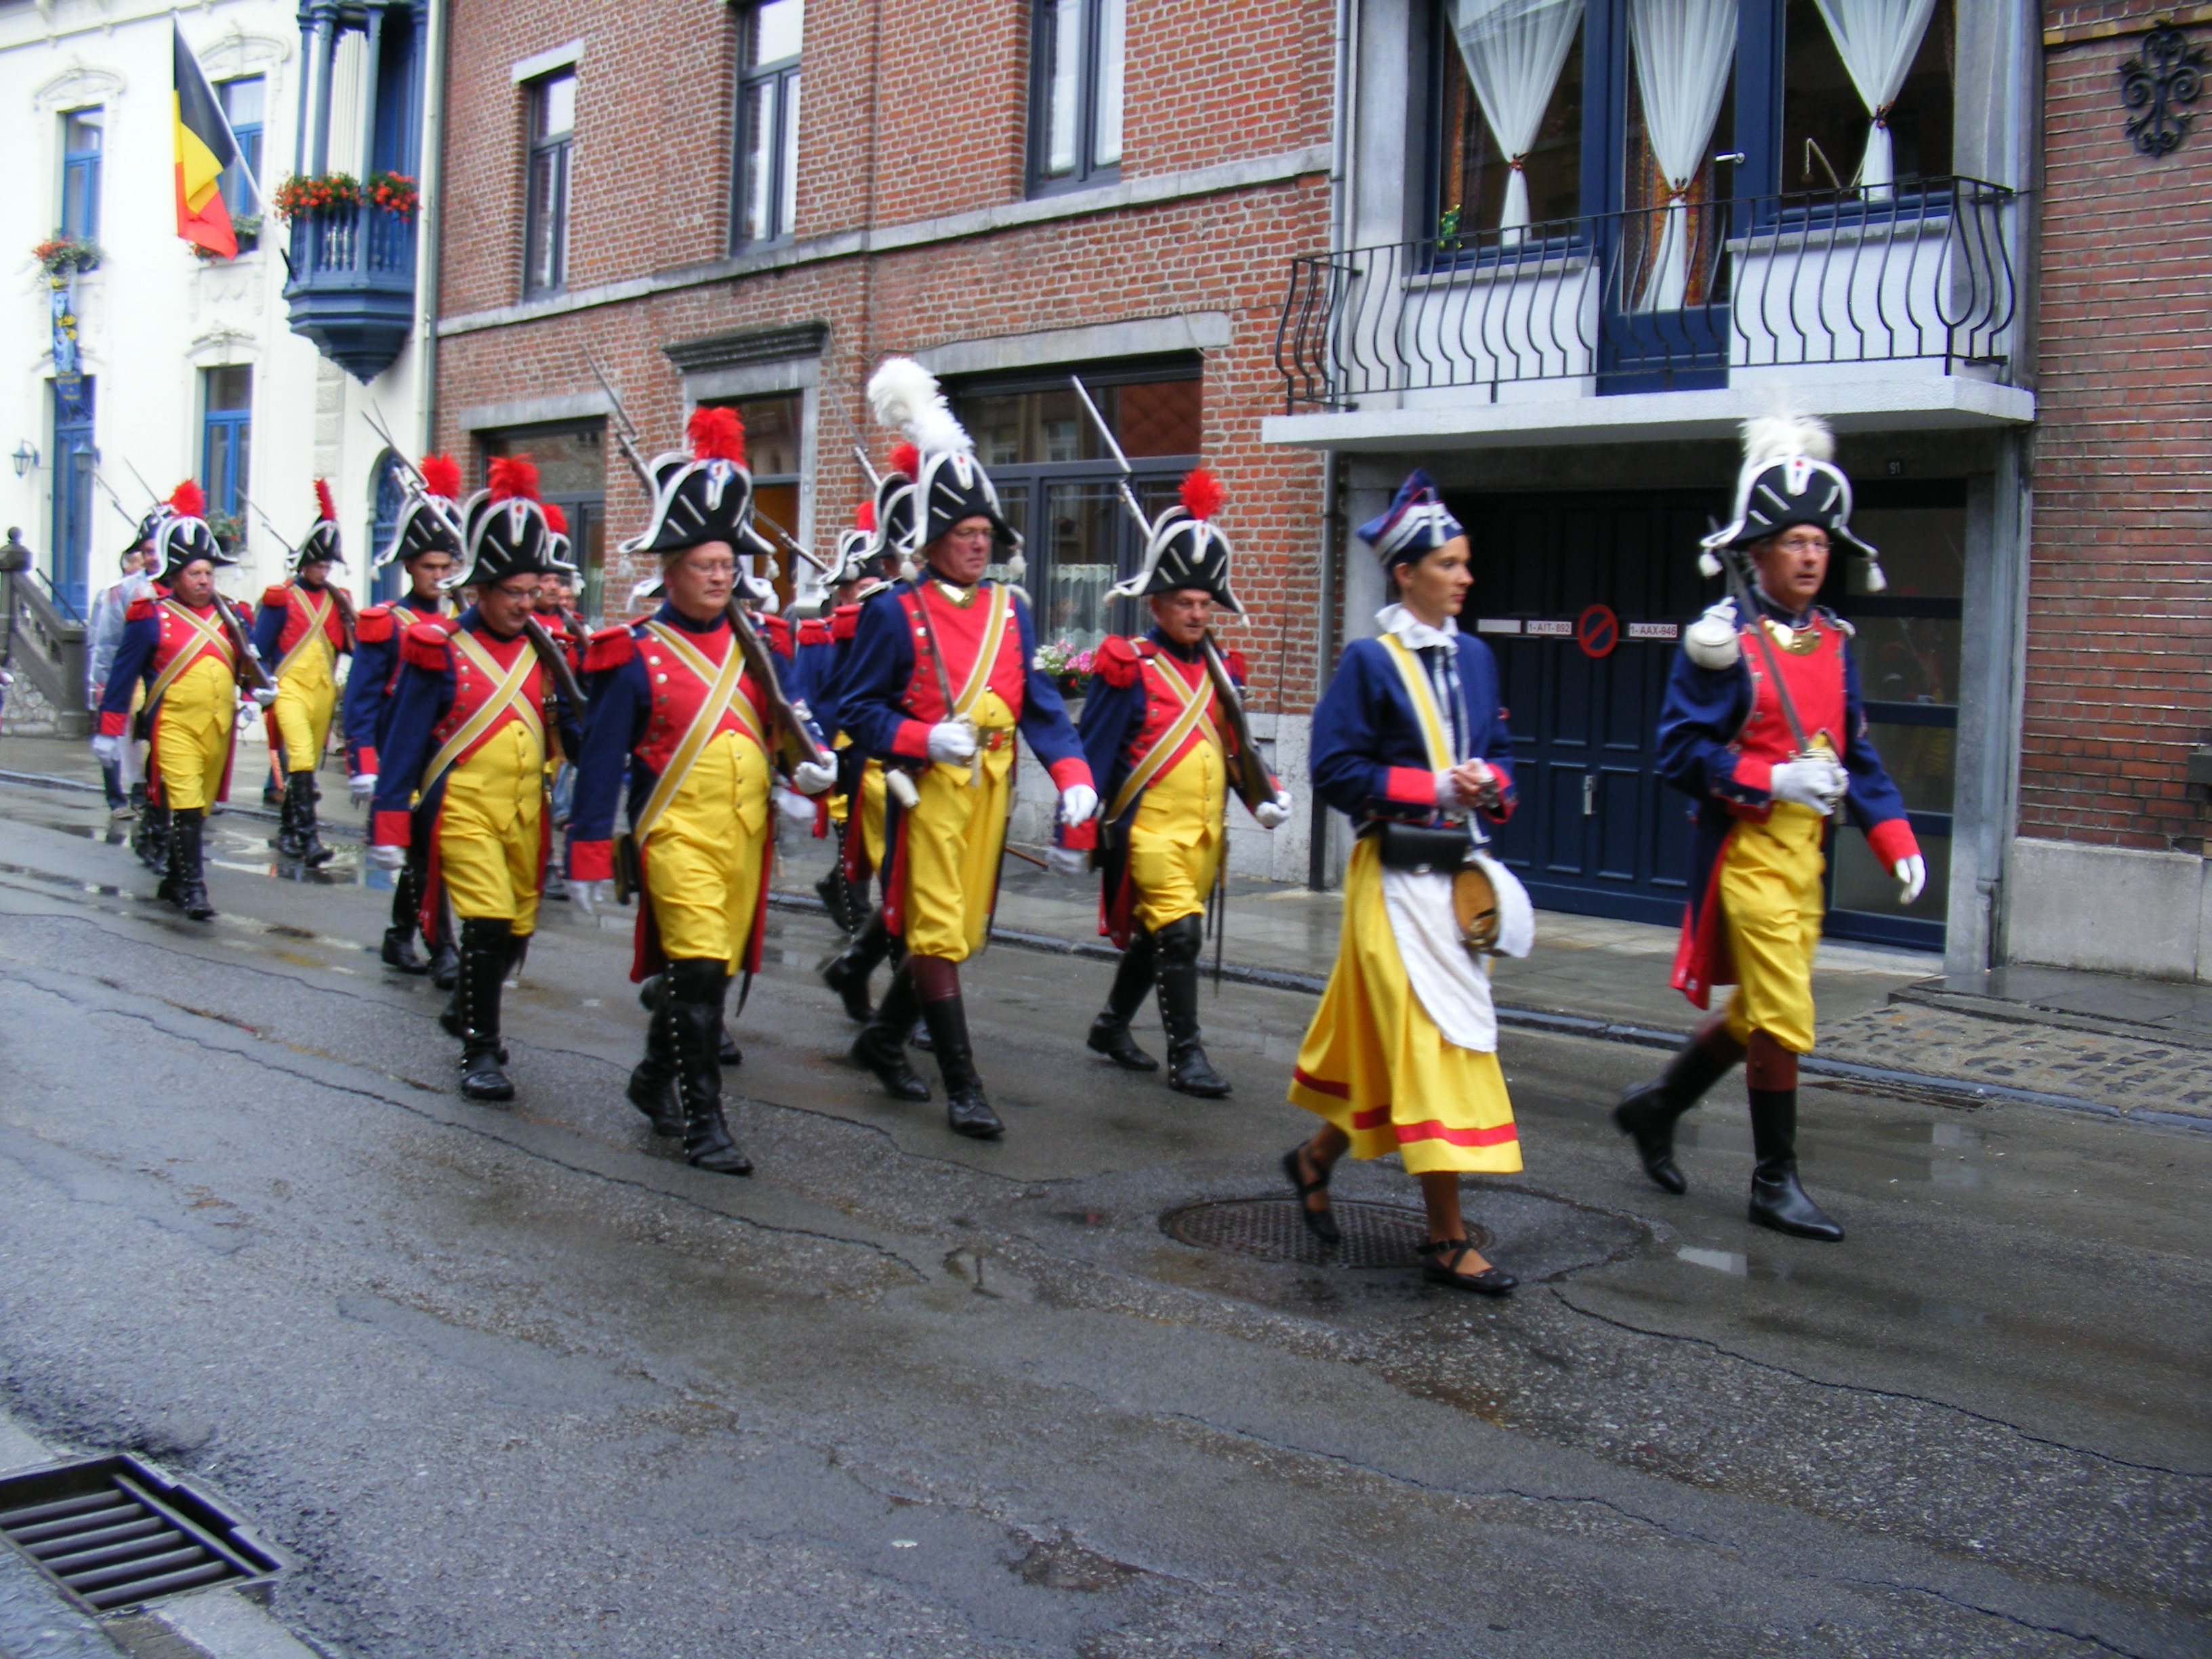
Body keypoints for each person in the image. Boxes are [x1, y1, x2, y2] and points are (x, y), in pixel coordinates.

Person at [1614, 407, 1925, 1244]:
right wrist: (1771, 777)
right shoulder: (1721, 645)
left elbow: (1859, 755)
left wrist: (1895, 838)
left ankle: (1657, 1106)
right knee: (1784, 1011)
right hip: (1747, 854)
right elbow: (1679, 755)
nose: (1811, 556)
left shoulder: (1835, 642)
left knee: (1757, 1011)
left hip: (1805, 858)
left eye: (1820, 542)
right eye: (1794, 541)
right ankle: (1773, 1182)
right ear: (1757, 552)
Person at [566, 408, 836, 1173]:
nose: (721, 576)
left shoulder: (762, 645)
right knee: (698, 973)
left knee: (710, 975)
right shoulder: (631, 654)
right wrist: (588, 853)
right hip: (675, 834)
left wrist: (809, 769)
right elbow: (601, 760)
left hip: (744, 834)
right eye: (704, 564)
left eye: (727, 563)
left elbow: (789, 721)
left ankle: (653, 1079)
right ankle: (705, 1125)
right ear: (670, 568)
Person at [1284, 471, 1532, 1296]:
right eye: (1450, 564)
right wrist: (1432, 788)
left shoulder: (1479, 658)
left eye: (1465, 563)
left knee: (1396, 1040)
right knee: (1432, 1040)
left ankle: (1315, 1159)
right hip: (1389, 881)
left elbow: (1502, 751)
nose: (1465, 577)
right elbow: (1333, 769)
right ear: (1405, 573)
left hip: (1454, 881)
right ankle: (1445, 1238)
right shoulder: (1369, 662)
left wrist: (1491, 784)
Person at [837, 359, 1097, 1138]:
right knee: (935, 931)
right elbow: (857, 711)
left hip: (989, 795)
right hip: (922, 795)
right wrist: (922, 735)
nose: (979, 545)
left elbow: (1040, 707)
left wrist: (1074, 775)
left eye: (986, 533)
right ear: (934, 540)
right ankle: (964, 1085)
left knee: (957, 931)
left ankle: (884, 1040)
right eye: (965, 533)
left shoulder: (1012, 613)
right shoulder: (894, 611)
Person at [365, 458, 583, 1103]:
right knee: (486, 923)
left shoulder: (550, 650)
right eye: (511, 591)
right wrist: (388, 822)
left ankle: (466, 1006)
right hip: (462, 809)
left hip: (527, 813)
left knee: (517, 929)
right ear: (480, 588)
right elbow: (405, 741)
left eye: (531, 591)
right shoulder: (438, 648)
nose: (524, 603)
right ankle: (480, 1049)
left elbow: (575, 732)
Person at [1074, 468, 1293, 1097]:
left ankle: (1110, 1026)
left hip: (1203, 837)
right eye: (1184, 603)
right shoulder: (1129, 665)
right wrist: (1077, 832)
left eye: (1204, 603)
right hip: (1147, 833)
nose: (1197, 613)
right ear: (1157, 605)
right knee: (1181, 935)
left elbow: (1235, 750)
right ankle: (1187, 1056)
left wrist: (1265, 796)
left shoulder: (1223, 672)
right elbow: (1092, 756)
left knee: (1156, 936)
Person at [93, 483, 274, 920]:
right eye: (195, 574)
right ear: (175, 576)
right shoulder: (150, 616)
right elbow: (123, 675)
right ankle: (195, 888)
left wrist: (259, 690)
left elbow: (246, 663)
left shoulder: (232, 616)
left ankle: (175, 878)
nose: (204, 581)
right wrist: (109, 729)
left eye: (208, 573)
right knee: (188, 807)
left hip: (219, 727)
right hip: (173, 726)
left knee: (201, 807)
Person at [344, 453, 464, 978]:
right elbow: (362, 700)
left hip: (451, 754)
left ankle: (400, 936)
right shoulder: (385, 623)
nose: (439, 576)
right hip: (403, 756)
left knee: (433, 852)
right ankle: (443, 948)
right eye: (429, 567)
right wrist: (364, 764)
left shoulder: (465, 621)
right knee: (424, 852)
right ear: (409, 567)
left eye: (446, 566)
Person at [817, 487, 912, 1010]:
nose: (869, 590)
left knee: (905, 886)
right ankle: (891, 997)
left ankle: (854, 969)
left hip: (914, 766)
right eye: (860, 585)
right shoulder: (845, 629)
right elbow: (830, 702)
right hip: (865, 766)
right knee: (894, 884)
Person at [251, 480, 352, 867]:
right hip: (290, 688)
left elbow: (349, 647)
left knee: (304, 762)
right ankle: (309, 838)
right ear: (305, 563)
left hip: (323, 691)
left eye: (327, 566)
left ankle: (288, 831)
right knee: (301, 756)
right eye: (319, 564)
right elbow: (259, 647)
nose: (323, 571)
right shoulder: (281, 598)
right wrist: (262, 684)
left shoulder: (337, 601)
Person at [86, 535, 157, 817]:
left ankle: (144, 794)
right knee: (118, 737)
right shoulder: (118, 593)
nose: (152, 558)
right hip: (124, 676)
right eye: (147, 552)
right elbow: (104, 641)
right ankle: (117, 798)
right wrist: (100, 684)